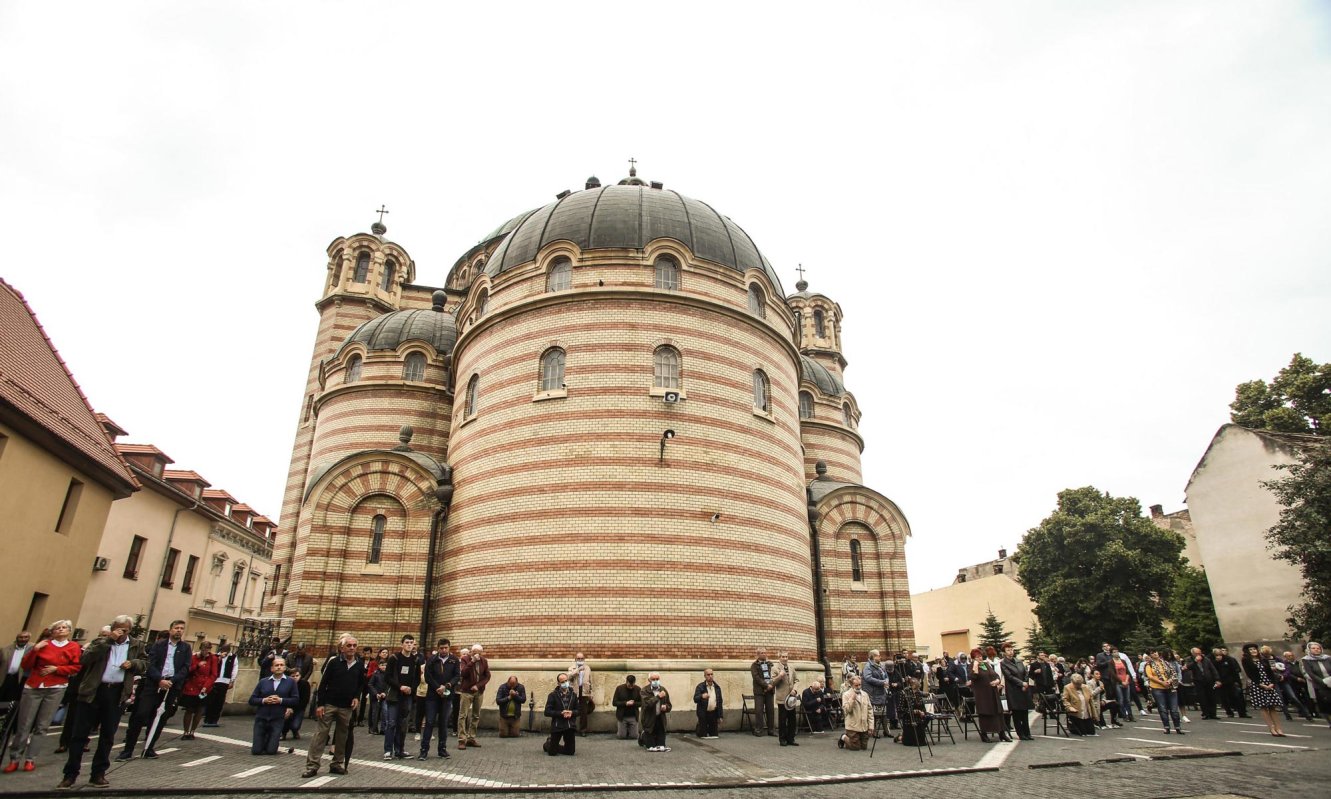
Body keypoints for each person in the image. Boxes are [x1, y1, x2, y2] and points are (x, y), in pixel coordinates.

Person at [57, 616, 146, 790]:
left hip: (116, 693)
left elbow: (145, 663)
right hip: (93, 691)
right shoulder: (101, 642)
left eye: (125, 630)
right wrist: (108, 640)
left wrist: (133, 663)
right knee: (79, 735)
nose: (121, 633)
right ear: (113, 628)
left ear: (130, 630)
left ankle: (98, 774)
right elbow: (85, 659)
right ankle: (70, 775)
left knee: (107, 736)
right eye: (118, 629)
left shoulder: (136, 645)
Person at [6, 621, 81, 774]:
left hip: (56, 687)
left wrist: (57, 669)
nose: (61, 630)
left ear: (69, 631)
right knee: (24, 724)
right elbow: (26, 665)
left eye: (64, 628)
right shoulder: (43, 645)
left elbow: (76, 667)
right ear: (52, 632)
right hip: (34, 686)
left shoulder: (73, 647)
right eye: (58, 628)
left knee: (42, 726)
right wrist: (34, 650)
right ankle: (14, 758)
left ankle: (30, 759)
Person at [119, 619, 190, 760]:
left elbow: (185, 667)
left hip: (171, 686)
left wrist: (172, 681)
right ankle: (128, 750)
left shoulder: (185, 648)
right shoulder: (159, 645)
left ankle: (149, 747)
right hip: (154, 684)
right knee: (141, 715)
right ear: (171, 630)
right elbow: (150, 664)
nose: (179, 630)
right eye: (176, 628)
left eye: (182, 628)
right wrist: (159, 680)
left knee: (160, 717)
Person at [303, 633, 365, 778]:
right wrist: (320, 704)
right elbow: (323, 683)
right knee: (320, 735)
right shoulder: (334, 662)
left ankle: (337, 763)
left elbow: (360, 684)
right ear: (341, 648)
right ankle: (312, 765)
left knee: (342, 737)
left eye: (354, 646)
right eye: (348, 645)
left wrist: (356, 697)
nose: (352, 648)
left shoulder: (359, 665)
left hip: (347, 706)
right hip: (330, 704)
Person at [248, 656, 298, 755]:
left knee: (271, 751)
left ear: (284, 668)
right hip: (261, 718)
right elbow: (252, 700)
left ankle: (272, 743)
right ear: (272, 668)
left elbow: (295, 700)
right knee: (256, 751)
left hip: (277, 718)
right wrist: (264, 700)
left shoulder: (291, 682)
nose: (279, 667)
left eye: (281, 665)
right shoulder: (263, 681)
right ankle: (263, 741)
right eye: (276, 665)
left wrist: (281, 700)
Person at [382, 635, 420, 759]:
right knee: (391, 723)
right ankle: (388, 750)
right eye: (407, 642)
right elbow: (387, 677)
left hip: (407, 696)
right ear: (402, 644)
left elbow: (417, 678)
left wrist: (411, 689)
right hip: (394, 695)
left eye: (411, 643)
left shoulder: (415, 660)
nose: (409, 645)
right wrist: (400, 687)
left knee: (402, 724)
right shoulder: (394, 658)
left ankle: (400, 750)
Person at [1241, 644, 1286, 736]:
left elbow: (1270, 673)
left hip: (1269, 683)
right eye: (1251, 649)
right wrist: (1261, 684)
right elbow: (1250, 674)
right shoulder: (1246, 661)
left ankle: (1278, 728)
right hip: (1258, 684)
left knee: (1272, 707)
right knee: (1264, 707)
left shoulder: (1264, 660)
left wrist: (1272, 683)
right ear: (1247, 651)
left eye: (1254, 649)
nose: (1253, 651)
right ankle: (1271, 728)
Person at [419, 640, 454, 758]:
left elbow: (457, 675)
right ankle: (424, 750)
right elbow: (428, 676)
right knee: (429, 722)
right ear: (438, 648)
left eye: (446, 648)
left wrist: (447, 686)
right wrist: (438, 687)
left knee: (443, 723)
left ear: (449, 648)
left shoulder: (454, 660)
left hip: (447, 695)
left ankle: (442, 749)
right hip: (432, 696)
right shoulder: (432, 660)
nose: (444, 650)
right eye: (442, 648)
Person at [178, 639, 217, 740]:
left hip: (204, 688)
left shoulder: (213, 658)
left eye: (207, 650)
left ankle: (192, 731)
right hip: (192, 686)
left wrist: (206, 686)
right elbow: (188, 670)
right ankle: (186, 731)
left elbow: (213, 675)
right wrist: (197, 666)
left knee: (200, 710)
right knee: (189, 709)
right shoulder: (194, 657)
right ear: (200, 649)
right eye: (204, 649)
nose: (205, 652)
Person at [971, 647, 1008, 742]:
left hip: (993, 692)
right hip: (982, 694)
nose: (979, 658)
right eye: (977, 657)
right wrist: (975, 666)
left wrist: (997, 681)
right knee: (985, 713)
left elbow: (995, 675)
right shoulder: (972, 666)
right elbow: (973, 676)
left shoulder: (986, 665)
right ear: (973, 658)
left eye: (980, 656)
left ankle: (1002, 733)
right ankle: (984, 734)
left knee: (998, 712)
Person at [1144, 648, 1185, 735]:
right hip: (1157, 688)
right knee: (1162, 708)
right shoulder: (1149, 665)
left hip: (1170, 687)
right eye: (1152, 653)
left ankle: (1178, 727)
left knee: (1174, 709)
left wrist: (1169, 681)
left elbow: (1174, 673)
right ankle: (1166, 727)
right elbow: (1150, 676)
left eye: (1155, 652)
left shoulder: (1165, 662)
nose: (1155, 654)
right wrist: (1161, 682)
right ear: (1150, 655)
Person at [457, 644, 490, 749]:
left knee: (476, 715)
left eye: (479, 653)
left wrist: (478, 686)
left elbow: (487, 676)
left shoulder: (484, 661)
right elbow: (463, 673)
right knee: (463, 715)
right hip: (466, 691)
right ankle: (462, 739)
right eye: (474, 652)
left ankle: (471, 738)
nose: (476, 654)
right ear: (471, 651)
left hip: (478, 692)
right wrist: (472, 662)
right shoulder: (465, 660)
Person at [999, 644, 1033, 741]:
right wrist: (1021, 683)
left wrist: (1025, 682)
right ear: (1004, 653)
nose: (1010, 651)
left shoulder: (1019, 661)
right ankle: (1021, 734)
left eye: (1011, 649)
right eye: (1008, 650)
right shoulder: (1003, 663)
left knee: (1024, 712)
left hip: (1023, 689)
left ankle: (1027, 733)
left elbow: (1025, 673)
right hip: (1013, 690)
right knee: (1017, 713)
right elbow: (1009, 677)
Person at [202, 643, 237, 727]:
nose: (225, 652)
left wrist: (232, 681)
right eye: (223, 650)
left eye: (226, 650)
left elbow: (234, 669)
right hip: (214, 680)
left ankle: (214, 719)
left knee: (219, 701)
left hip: (225, 681)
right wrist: (220, 657)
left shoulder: (233, 657)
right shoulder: (215, 656)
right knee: (210, 700)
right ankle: (207, 718)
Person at [543, 673, 578, 755]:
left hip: (569, 726)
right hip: (557, 725)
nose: (565, 683)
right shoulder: (552, 695)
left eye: (566, 681)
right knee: (552, 753)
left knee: (570, 752)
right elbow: (547, 712)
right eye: (562, 682)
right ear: (558, 683)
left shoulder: (573, 695)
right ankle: (548, 744)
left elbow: (579, 710)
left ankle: (556, 746)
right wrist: (560, 713)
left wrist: (572, 712)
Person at [1182, 647, 1220, 720]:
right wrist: (1195, 661)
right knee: (1202, 698)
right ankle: (1205, 713)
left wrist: (1217, 679)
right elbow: (1187, 667)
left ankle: (1213, 714)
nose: (1199, 655)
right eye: (1196, 654)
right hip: (1198, 681)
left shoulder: (1206, 659)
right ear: (1193, 654)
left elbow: (1213, 669)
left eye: (1199, 653)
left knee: (1211, 697)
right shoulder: (1189, 660)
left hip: (1209, 680)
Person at [1274, 650, 1312, 721]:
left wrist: (1283, 676)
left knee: (1293, 697)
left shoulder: (1280, 661)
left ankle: (1307, 714)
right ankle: (1287, 715)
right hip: (1276, 682)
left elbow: (1287, 671)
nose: (1291, 657)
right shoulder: (1265, 662)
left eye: (1292, 655)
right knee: (1281, 698)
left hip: (1284, 681)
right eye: (1289, 656)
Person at [1300, 641, 1331, 727]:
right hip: (1320, 685)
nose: (1316, 650)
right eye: (1313, 648)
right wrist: (1323, 682)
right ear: (1309, 649)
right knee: (1325, 705)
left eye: (1318, 648)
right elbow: (1311, 674)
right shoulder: (1306, 660)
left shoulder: (1327, 658)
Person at [640, 672, 671, 752]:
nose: (655, 681)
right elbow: (647, 704)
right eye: (653, 679)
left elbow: (669, 705)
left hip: (660, 718)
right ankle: (643, 736)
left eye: (657, 679)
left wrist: (666, 707)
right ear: (649, 680)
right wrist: (658, 697)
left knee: (661, 746)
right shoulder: (644, 690)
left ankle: (656, 739)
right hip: (649, 719)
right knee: (651, 746)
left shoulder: (663, 690)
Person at [839, 675, 871, 750]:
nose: (858, 687)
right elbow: (847, 710)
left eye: (860, 685)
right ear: (851, 685)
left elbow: (870, 710)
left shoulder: (865, 694)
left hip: (863, 726)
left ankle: (857, 740)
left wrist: (871, 726)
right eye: (856, 685)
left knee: (864, 747)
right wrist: (852, 700)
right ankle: (843, 737)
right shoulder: (846, 694)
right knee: (855, 747)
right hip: (852, 725)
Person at [1214, 647, 1248, 718]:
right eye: (1216, 655)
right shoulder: (1213, 662)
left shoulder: (1229, 659)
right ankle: (1229, 712)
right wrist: (1217, 680)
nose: (1218, 657)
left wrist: (1236, 681)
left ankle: (1242, 713)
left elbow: (1235, 670)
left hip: (1231, 681)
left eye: (1219, 655)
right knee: (1224, 698)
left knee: (1237, 697)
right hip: (1221, 682)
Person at [861, 649, 889, 735]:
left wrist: (887, 680)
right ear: (873, 656)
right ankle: (874, 732)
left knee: (884, 713)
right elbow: (868, 678)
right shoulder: (868, 666)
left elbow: (885, 675)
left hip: (881, 692)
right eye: (879, 655)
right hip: (872, 693)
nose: (880, 657)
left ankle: (886, 731)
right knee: (874, 714)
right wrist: (882, 682)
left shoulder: (880, 665)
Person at [1, 631, 32, 707]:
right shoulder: (5, 649)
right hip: (4, 678)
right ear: (17, 638)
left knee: (10, 701)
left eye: (26, 637)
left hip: (18, 679)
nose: (23, 639)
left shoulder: (32, 649)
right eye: (21, 637)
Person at [749, 648, 775, 737]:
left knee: (770, 711)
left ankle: (771, 730)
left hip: (770, 691)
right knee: (759, 711)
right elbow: (756, 678)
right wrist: (766, 685)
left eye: (765, 653)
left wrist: (771, 685)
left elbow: (774, 675)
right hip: (759, 691)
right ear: (758, 655)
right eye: (762, 653)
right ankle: (759, 730)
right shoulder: (754, 665)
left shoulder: (770, 664)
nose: (764, 654)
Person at [567, 652, 593, 736]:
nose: (580, 660)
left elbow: (590, 681)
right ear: (575, 659)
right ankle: (571, 728)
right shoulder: (572, 668)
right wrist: (577, 670)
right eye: (578, 659)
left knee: (584, 712)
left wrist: (591, 693)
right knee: (572, 710)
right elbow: (569, 677)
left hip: (584, 691)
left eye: (582, 659)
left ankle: (583, 730)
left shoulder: (588, 668)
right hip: (574, 691)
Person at [692, 668, 723, 739]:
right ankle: (699, 727)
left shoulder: (717, 687)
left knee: (714, 735)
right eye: (708, 675)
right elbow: (695, 699)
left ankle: (709, 729)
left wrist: (720, 716)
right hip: (703, 713)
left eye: (712, 674)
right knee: (702, 735)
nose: (710, 676)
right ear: (705, 676)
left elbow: (720, 702)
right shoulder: (700, 686)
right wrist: (702, 696)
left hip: (713, 713)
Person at [283, 668, 311, 741]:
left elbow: (305, 700)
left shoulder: (304, 684)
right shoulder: (286, 684)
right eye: (293, 676)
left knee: (295, 726)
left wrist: (293, 709)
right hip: (287, 707)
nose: (295, 677)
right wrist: (288, 708)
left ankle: (295, 731)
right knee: (285, 719)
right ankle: (283, 733)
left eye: (297, 675)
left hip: (299, 708)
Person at [612, 674, 641, 740]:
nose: (631, 687)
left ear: (634, 682)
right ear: (626, 682)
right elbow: (614, 702)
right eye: (629, 685)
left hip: (633, 716)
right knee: (621, 736)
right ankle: (624, 730)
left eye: (632, 685)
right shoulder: (619, 688)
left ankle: (630, 730)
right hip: (622, 717)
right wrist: (625, 703)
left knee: (634, 736)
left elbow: (641, 703)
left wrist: (633, 703)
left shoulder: (638, 689)